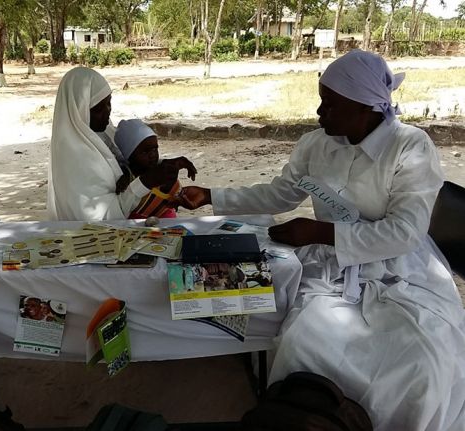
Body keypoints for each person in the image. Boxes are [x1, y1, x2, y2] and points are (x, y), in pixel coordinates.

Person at [177, 50, 465, 430]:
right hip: (333, 265)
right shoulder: (316, 145)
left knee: (420, 361)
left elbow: (404, 232)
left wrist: (320, 232)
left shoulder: (410, 146)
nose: (318, 112)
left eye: (329, 103)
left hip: (403, 269)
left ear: (364, 107)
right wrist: (213, 195)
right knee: (305, 343)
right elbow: (280, 195)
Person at [46, 67, 195, 221]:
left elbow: (129, 161)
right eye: (98, 108)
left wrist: (163, 165)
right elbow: (101, 218)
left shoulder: (102, 134)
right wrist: (144, 182)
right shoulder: (74, 158)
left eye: (109, 103)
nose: (108, 111)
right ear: (79, 111)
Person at [114, 119, 197, 219]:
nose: (153, 155)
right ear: (129, 155)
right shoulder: (126, 176)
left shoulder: (161, 171)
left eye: (155, 149)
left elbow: (172, 197)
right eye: (145, 152)